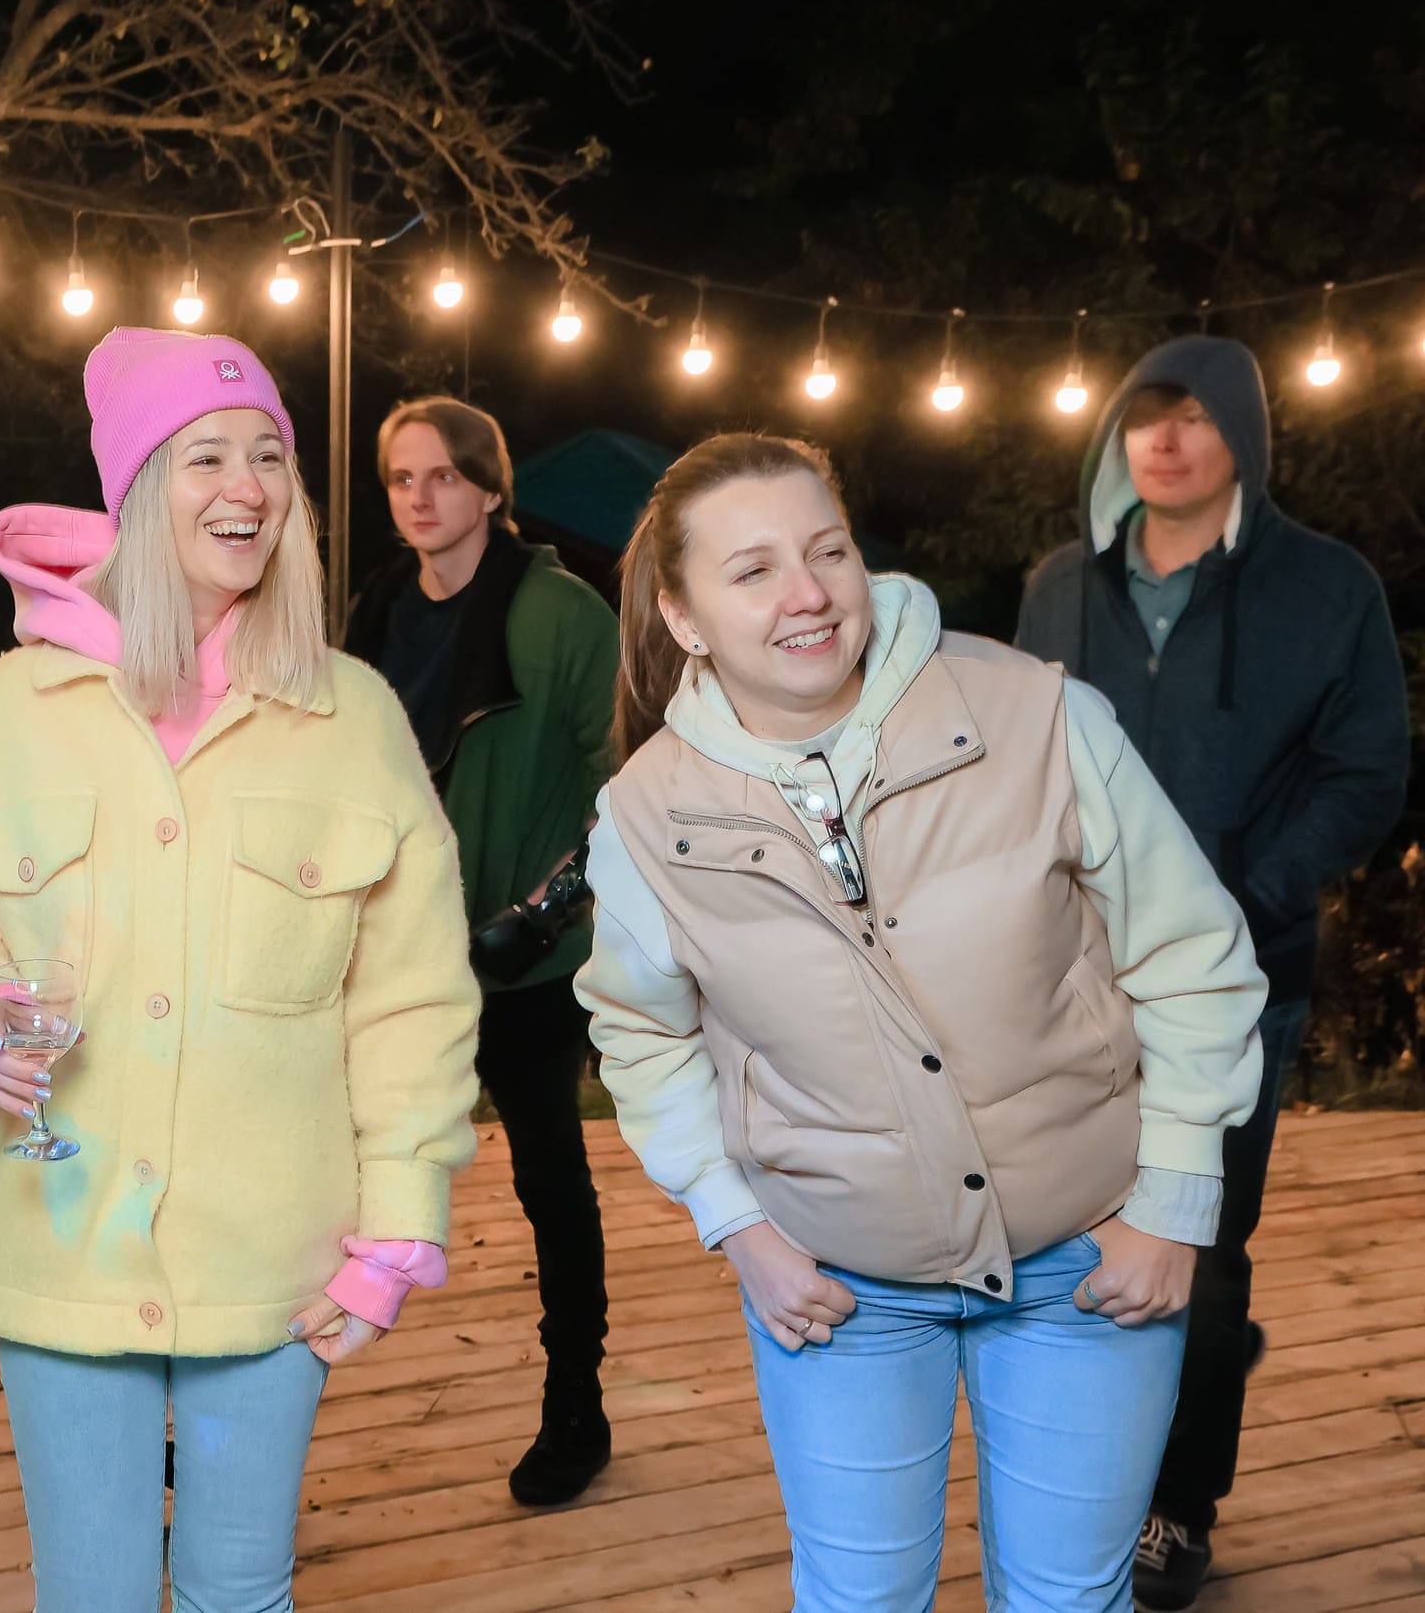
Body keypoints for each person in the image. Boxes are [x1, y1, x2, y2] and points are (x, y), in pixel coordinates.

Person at [578, 432, 1267, 1612]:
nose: (806, 594)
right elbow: (643, 1036)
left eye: (827, 551)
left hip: (1088, 1257)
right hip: (836, 1287)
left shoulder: (1036, 714)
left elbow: (1192, 956)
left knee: (1068, 1598)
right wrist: (738, 1225)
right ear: (682, 616)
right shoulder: (645, 816)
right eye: (751, 570)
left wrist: (1173, 1196)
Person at [0, 328, 482, 1612]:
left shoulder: (350, 714)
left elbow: (413, 1002)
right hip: (61, 1241)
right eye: (206, 455)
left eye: (269, 456)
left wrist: (398, 1227)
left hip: (281, 1258)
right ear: (135, 487)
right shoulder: (16, 703)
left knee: (240, 1592)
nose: (247, 486)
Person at [1013, 336, 1409, 1608]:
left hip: (1242, 975)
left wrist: (1245, 898)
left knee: (1205, 1236)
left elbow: (1366, 771)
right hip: (1074, 975)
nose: (1165, 439)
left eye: (1192, 416)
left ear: (1243, 432)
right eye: (1145, 416)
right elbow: (1015, 761)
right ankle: (1093, 1473)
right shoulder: (1058, 587)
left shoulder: (1325, 586)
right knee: (1069, 1224)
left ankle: (1177, 1503)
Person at [342, 395, 620, 1506]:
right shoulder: (376, 607)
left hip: (522, 957)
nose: (420, 497)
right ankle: (250, 1398)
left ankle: (576, 1405)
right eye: (401, 478)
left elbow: (633, 776)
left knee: (549, 1176)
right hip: (392, 949)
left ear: (491, 487)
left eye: (444, 475)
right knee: (318, 1167)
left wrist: (549, 908)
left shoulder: (559, 613)